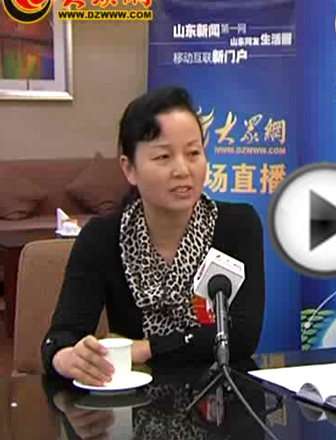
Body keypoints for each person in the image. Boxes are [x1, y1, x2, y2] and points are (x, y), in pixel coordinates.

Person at [42, 86, 265, 386]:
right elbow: (60, 338)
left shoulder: (237, 225)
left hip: (223, 396)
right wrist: (67, 358)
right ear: (129, 169)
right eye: (163, 156)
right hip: (131, 401)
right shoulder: (102, 237)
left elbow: (241, 336)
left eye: (193, 153)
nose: (182, 169)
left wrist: (145, 348)